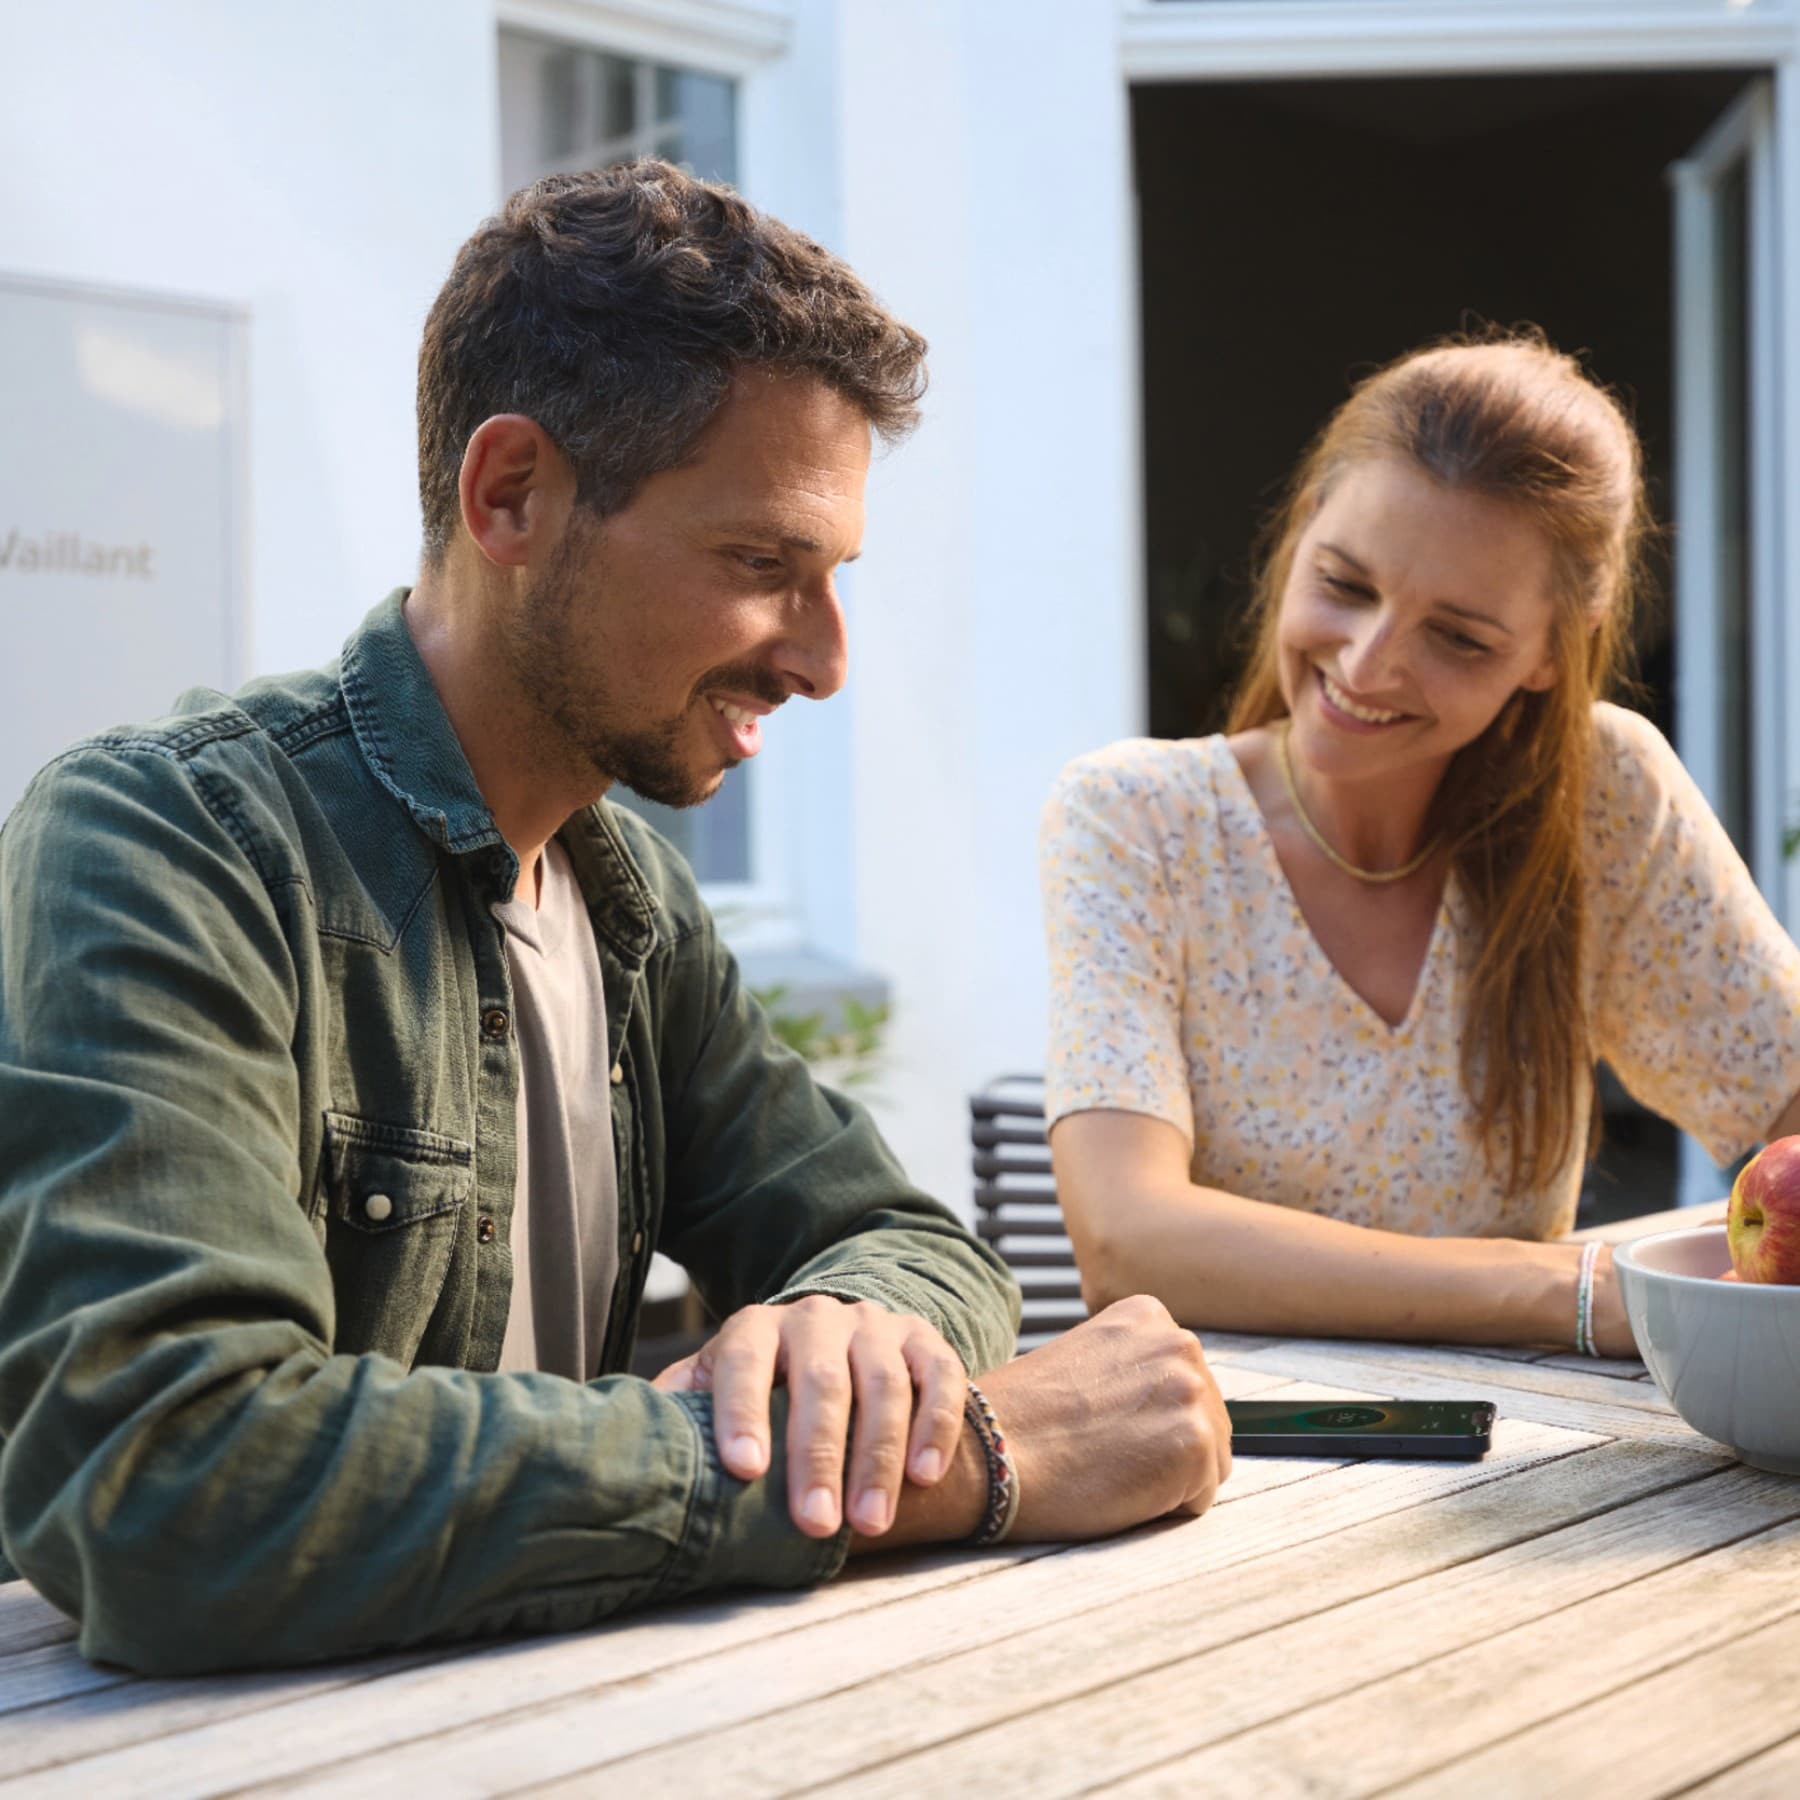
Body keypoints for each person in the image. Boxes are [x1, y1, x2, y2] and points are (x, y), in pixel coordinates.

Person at [0, 162, 1231, 1676]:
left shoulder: (626, 894)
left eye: (833, 578)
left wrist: (853, 1329)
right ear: (509, 493)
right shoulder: (169, 843)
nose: (827, 661)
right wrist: (921, 1466)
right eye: (763, 566)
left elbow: (900, 1235)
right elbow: (166, 1482)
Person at [1042, 333, 1800, 1358]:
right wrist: (1571, 1290)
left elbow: (1786, 1090)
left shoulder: (1599, 794)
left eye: (1459, 637)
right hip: (1227, 1467)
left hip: (1548, 1462)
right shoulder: (1134, 816)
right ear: (1304, 529)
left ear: (1553, 651)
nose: (1368, 663)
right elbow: (1129, 1242)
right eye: (1346, 584)